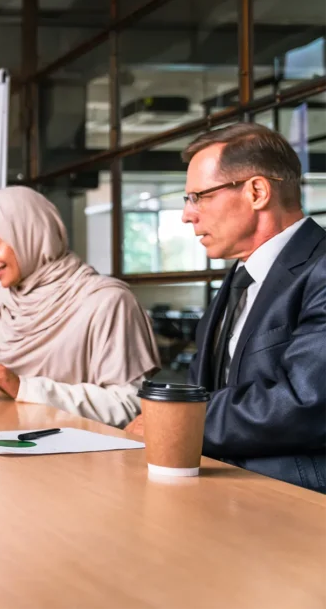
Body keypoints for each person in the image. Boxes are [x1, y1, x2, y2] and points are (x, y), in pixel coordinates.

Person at [124, 123, 326, 492]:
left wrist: (174, 421)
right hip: (214, 485)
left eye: (198, 196)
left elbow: (305, 403)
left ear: (257, 191)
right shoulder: (239, 277)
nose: (187, 215)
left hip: (294, 504)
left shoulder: (321, 269)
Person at [0, 186, 160, 428]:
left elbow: (130, 404)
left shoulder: (106, 301)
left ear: (30, 234)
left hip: (77, 459)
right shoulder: (2, 299)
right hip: (2, 445)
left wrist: (24, 388)